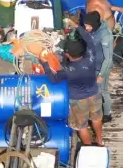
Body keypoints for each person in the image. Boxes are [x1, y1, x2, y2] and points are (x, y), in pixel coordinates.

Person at [39, 13, 105, 146]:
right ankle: (99, 140)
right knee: (96, 118)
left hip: (78, 100)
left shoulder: (67, 70)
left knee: (82, 126)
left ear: (68, 54)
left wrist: (44, 63)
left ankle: (89, 147)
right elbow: (88, 39)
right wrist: (77, 26)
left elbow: (53, 78)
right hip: (94, 94)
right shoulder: (90, 57)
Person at [85, 0, 123, 123]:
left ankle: (105, 111)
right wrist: (108, 40)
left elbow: (109, 7)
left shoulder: (102, 0)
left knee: (101, 87)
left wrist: (120, 9)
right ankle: (107, 113)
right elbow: (93, 28)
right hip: (104, 41)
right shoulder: (95, 8)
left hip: (108, 38)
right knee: (102, 89)